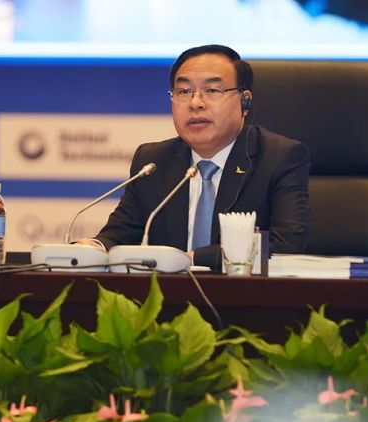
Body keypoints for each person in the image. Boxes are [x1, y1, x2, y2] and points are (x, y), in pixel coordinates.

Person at [79, 44, 311, 270]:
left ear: (245, 101)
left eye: (212, 90)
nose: (196, 103)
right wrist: (93, 248)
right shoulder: (153, 161)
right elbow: (120, 234)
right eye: (183, 91)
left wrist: (190, 259)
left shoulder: (279, 158)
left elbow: (285, 247)